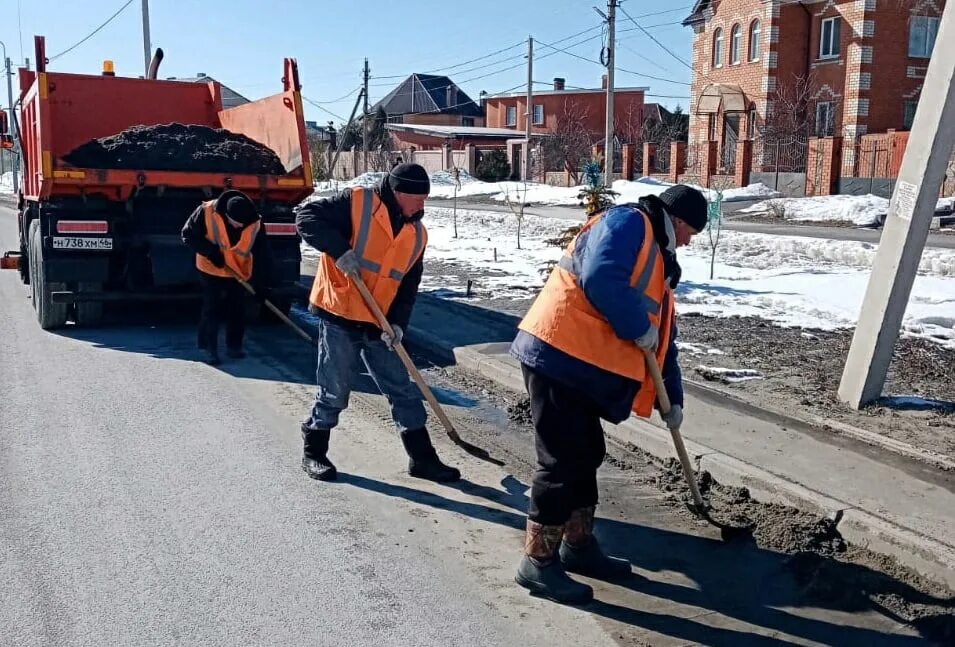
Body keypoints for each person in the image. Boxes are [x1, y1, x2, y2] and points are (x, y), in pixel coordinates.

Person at [509, 185, 708, 604]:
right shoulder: (629, 222)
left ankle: (577, 546)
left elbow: (661, 343)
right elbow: (600, 277)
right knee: (561, 461)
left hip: (578, 366)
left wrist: (672, 400)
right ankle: (537, 562)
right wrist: (636, 324)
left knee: (585, 454)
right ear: (678, 221)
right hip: (556, 354)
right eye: (691, 232)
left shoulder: (656, 262)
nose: (690, 242)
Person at [295, 163, 460, 484]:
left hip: (378, 320)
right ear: (399, 194)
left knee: (402, 388)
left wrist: (398, 324)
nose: (422, 205)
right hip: (341, 312)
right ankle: (314, 449)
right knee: (336, 388)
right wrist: (340, 251)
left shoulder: (417, 235)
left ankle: (422, 459)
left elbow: (408, 285)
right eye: (419, 199)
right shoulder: (358, 203)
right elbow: (306, 217)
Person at [181, 190, 272, 366]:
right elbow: (187, 235)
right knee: (212, 307)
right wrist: (210, 251)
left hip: (238, 271)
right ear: (227, 214)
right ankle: (209, 349)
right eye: (235, 223)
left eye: (241, 225)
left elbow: (263, 255)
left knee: (237, 308)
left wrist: (261, 285)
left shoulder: (254, 222)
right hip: (210, 267)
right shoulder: (206, 211)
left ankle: (234, 346)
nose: (238, 227)